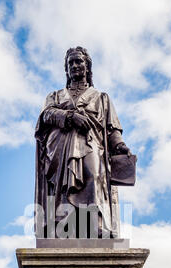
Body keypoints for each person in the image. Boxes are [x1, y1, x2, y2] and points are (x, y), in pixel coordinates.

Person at [34, 46, 134, 238]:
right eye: (70, 63)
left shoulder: (101, 98)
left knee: (93, 174)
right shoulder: (55, 96)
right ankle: (64, 226)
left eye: (78, 61)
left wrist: (119, 145)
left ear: (87, 66)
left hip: (91, 144)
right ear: (66, 69)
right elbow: (45, 116)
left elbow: (111, 128)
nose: (74, 65)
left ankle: (95, 223)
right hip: (60, 147)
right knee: (62, 184)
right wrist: (70, 117)